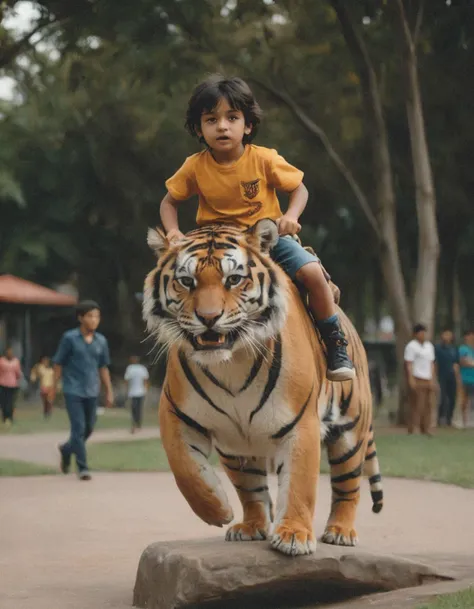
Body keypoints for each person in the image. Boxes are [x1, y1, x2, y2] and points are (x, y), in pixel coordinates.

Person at [159, 74, 354, 382]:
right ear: (199, 128)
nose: (222, 126)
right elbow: (168, 203)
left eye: (232, 118)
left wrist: (291, 215)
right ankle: (179, 350)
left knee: (313, 274)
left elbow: (299, 189)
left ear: (247, 125)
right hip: (217, 244)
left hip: (265, 238)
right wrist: (172, 232)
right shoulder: (193, 166)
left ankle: (335, 342)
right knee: (177, 280)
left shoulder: (264, 159)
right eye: (211, 119)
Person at [51, 300, 114, 480]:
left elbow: (103, 367)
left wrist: (108, 390)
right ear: (80, 318)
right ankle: (83, 467)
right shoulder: (69, 338)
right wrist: (54, 388)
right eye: (90, 316)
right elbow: (58, 364)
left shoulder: (101, 341)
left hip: (92, 391)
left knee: (88, 428)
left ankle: (66, 449)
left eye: (97, 316)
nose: (94, 320)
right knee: (78, 428)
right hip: (73, 390)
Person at [404, 323, 437, 436]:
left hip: (427, 378)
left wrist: (432, 378)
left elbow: (432, 363)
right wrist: (411, 379)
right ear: (415, 334)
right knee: (416, 404)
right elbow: (409, 364)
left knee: (428, 405)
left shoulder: (429, 346)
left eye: (424, 332)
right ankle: (413, 428)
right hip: (417, 377)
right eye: (420, 332)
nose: (423, 335)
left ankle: (426, 428)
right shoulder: (411, 346)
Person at [434, 329, 459, 426]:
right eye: (445, 334)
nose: (447, 336)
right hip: (441, 376)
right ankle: (440, 419)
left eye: (449, 334)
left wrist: (457, 376)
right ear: (442, 335)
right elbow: (435, 363)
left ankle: (449, 419)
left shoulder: (454, 349)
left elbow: (456, 363)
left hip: (452, 377)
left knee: (452, 398)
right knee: (443, 398)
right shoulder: (438, 348)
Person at [124, 355, 149, 434]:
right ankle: (135, 424)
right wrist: (145, 390)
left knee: (136, 409)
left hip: (136, 392)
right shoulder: (141, 368)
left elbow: (126, 380)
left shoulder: (131, 368)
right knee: (137, 409)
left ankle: (137, 424)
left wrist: (127, 390)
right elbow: (146, 380)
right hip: (136, 392)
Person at [0, 346, 22, 427]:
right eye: (8, 352)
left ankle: (10, 417)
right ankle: (4, 417)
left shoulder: (16, 361)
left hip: (12, 385)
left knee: (10, 402)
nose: (10, 353)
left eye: (11, 352)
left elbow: (18, 373)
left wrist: (17, 379)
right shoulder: (1, 361)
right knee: (3, 402)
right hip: (2, 384)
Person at [458, 329, 474, 428]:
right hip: (466, 379)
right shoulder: (463, 349)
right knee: (465, 400)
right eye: (471, 335)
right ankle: (464, 422)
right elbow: (463, 362)